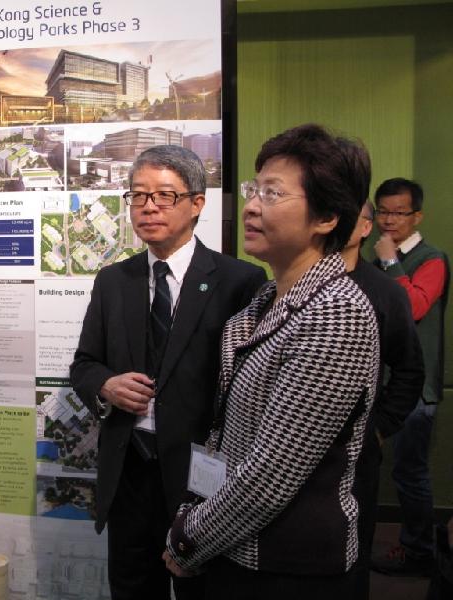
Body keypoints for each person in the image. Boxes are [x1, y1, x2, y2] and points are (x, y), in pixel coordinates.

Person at [164, 124, 380, 599]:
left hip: (289, 567)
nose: (251, 206)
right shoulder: (264, 301)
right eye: (253, 189)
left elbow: (270, 475)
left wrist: (186, 540)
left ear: (326, 217)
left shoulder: (335, 313)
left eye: (273, 193)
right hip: (234, 547)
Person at [70, 145, 266, 599]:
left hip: (203, 478)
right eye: (138, 196)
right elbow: (84, 364)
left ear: (197, 203)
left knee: (203, 590)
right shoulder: (113, 281)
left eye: (164, 195)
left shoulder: (240, 282)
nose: (149, 207)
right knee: (133, 588)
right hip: (130, 472)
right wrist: (105, 385)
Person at [342, 200, 424, 598]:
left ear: (365, 228)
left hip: (358, 455)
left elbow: (409, 370)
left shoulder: (384, 291)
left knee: (352, 549)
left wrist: (380, 427)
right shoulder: (290, 283)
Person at [370, 178, 450, 577]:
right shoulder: (375, 257)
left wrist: (389, 260)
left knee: (410, 473)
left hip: (416, 390)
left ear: (417, 215)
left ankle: (419, 552)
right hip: (379, 384)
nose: (389, 220)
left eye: (399, 213)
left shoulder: (432, 258)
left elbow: (415, 306)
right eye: (383, 211)